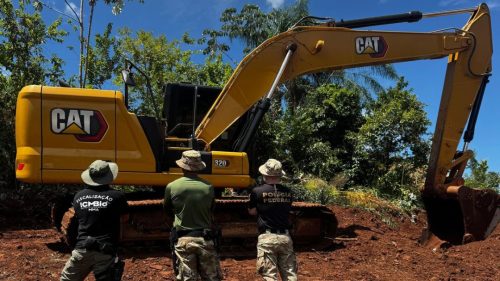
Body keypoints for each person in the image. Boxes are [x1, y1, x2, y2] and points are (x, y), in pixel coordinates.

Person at [60, 160, 128, 281]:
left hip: (82, 248)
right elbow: (125, 218)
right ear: (109, 176)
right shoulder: (118, 196)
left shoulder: (79, 196)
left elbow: (82, 217)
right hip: (106, 251)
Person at [164, 150, 222, 281]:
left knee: (187, 278)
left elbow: (167, 210)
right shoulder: (208, 187)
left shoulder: (172, 186)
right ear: (199, 167)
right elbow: (211, 209)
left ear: (181, 166)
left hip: (183, 239)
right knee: (211, 277)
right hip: (205, 238)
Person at [248, 159, 297, 281]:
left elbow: (252, 211)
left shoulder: (257, 191)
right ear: (280, 175)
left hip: (267, 238)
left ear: (265, 174)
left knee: (269, 276)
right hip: (285, 237)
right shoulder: (288, 192)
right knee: (290, 275)